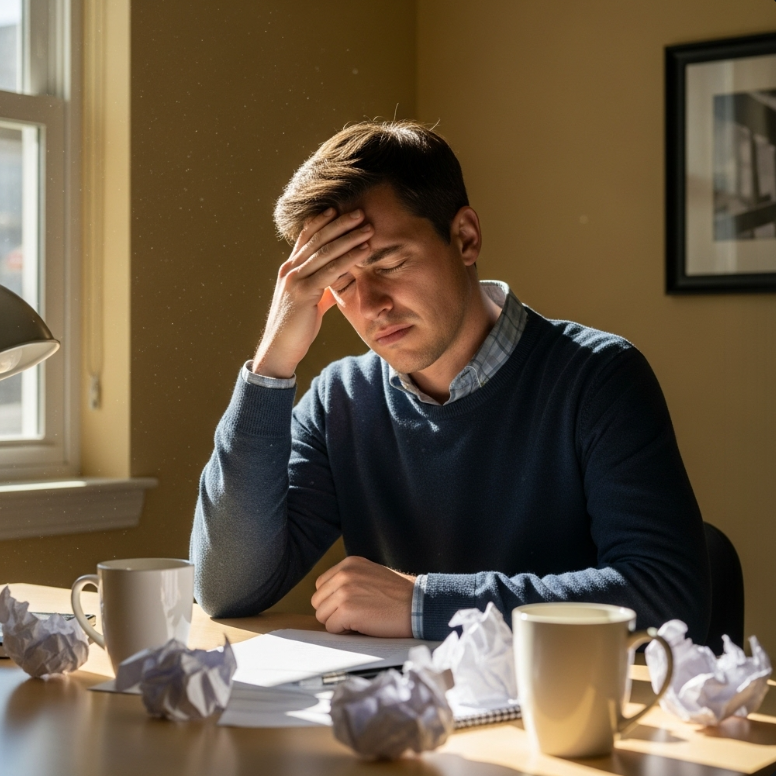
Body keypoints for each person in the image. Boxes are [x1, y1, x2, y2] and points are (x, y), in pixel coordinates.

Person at [190, 120, 711, 643]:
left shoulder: (598, 377)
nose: (370, 306)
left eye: (390, 263)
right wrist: (273, 361)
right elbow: (226, 587)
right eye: (341, 282)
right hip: (406, 715)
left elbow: (665, 592)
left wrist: (425, 604)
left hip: (561, 715)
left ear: (465, 237)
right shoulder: (340, 401)